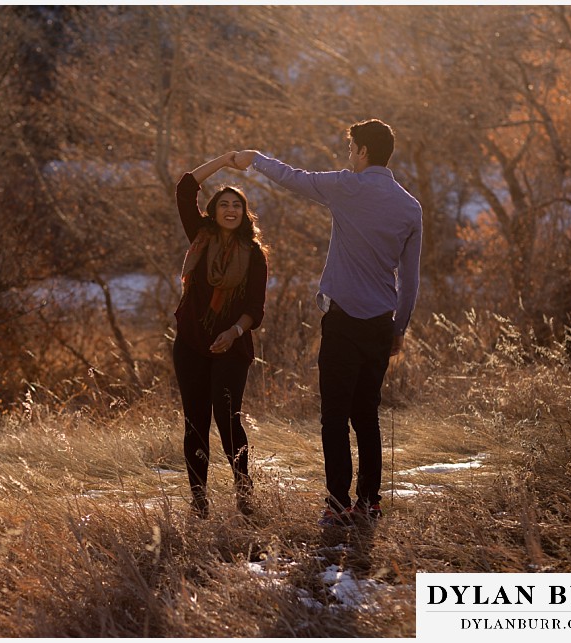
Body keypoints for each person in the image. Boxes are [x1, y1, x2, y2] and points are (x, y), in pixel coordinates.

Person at [230, 119, 422, 527]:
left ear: (364, 151)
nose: (348, 155)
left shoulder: (345, 186)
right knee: (366, 415)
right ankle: (369, 502)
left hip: (343, 321)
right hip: (380, 323)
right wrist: (399, 328)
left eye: (351, 148)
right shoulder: (410, 207)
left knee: (334, 416)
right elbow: (411, 278)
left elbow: (293, 178)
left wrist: (256, 160)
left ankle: (338, 504)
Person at [173, 152, 269, 518]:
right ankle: (199, 502)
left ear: (244, 215)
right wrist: (225, 162)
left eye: (237, 206)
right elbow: (185, 188)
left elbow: (255, 310)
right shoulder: (200, 237)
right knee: (195, 422)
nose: (230, 209)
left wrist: (233, 332)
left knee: (228, 420)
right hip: (191, 344)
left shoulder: (254, 255)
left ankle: (244, 494)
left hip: (232, 345)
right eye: (224, 204)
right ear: (213, 212)